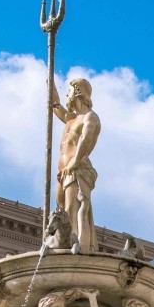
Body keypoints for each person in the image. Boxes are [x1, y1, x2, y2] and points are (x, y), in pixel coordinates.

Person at [51, 78, 101, 254]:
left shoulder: (90, 118)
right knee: (61, 211)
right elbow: (56, 106)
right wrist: (51, 86)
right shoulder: (72, 119)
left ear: (78, 91)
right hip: (63, 172)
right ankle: (63, 242)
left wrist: (74, 161)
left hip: (78, 170)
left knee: (74, 210)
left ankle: (78, 247)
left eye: (69, 90)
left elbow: (85, 140)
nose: (67, 94)